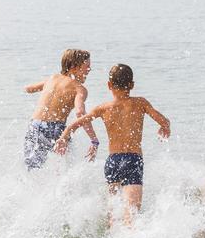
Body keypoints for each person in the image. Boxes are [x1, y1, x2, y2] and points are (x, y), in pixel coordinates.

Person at [54, 64, 170, 225]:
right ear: (132, 85)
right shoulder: (140, 103)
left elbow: (75, 124)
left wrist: (63, 137)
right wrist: (165, 127)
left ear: (109, 85)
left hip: (112, 162)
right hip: (133, 160)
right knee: (132, 211)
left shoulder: (103, 108)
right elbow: (163, 120)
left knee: (113, 213)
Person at [23, 49, 100, 169]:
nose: (89, 70)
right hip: (55, 128)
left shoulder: (52, 78)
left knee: (32, 168)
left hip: (34, 125)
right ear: (74, 67)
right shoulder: (79, 89)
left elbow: (28, 89)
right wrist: (94, 139)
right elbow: (80, 112)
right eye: (87, 66)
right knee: (67, 167)